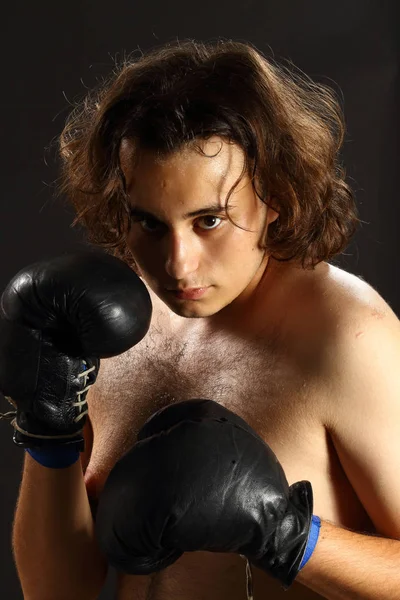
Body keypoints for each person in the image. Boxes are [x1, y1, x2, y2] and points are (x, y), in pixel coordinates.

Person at [3, 38, 400, 600]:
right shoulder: (109, 326)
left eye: (209, 220)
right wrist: (48, 432)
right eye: (150, 223)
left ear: (276, 195)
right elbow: (55, 590)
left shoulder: (348, 336)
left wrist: (290, 537)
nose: (177, 264)